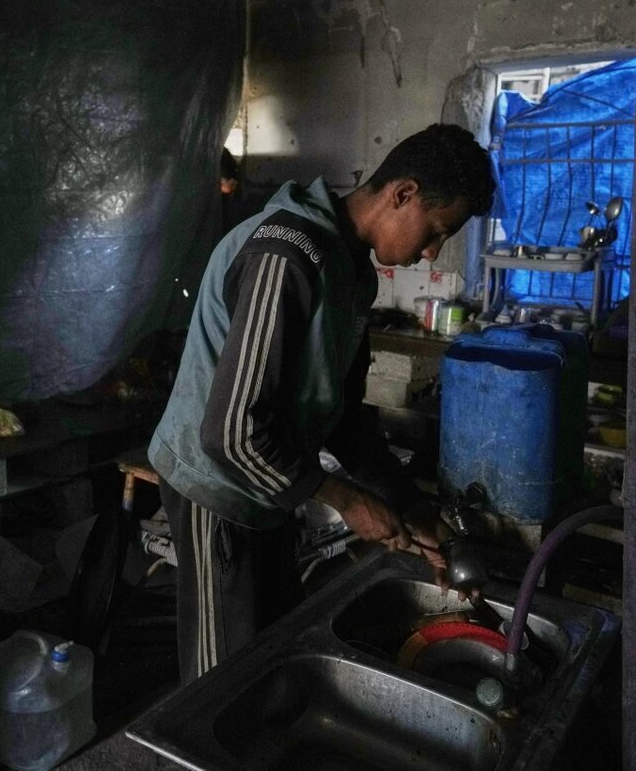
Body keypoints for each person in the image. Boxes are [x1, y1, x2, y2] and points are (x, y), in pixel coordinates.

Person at [148, 123, 496, 684]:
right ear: (402, 194)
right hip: (218, 489)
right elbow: (232, 432)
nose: (431, 252)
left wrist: (412, 509)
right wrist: (346, 499)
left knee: (270, 650)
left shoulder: (352, 273)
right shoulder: (287, 253)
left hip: (273, 485)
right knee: (222, 680)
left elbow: (345, 421)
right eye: (436, 231)